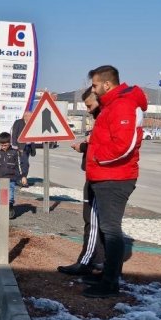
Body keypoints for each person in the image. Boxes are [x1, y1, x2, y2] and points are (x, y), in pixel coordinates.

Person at [83, 65, 147, 298]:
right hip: (106, 176)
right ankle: (106, 275)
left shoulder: (122, 105)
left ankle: (110, 283)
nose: (94, 89)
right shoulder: (112, 104)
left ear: (107, 84)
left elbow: (125, 145)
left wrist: (98, 157)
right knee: (106, 228)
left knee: (111, 230)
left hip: (115, 177)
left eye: (95, 85)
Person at [58, 86, 104, 277]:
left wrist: (84, 146)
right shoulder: (103, 119)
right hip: (96, 174)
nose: (87, 110)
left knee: (93, 222)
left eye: (89, 105)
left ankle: (87, 262)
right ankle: (100, 262)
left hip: (100, 178)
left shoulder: (105, 118)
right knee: (96, 222)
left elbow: (101, 146)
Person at [0, 131, 21, 219]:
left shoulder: (14, 152)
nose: (3, 147)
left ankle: (10, 208)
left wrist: (20, 177)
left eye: (5, 145)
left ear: (10, 143)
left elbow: (18, 165)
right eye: (1, 145)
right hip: (0, 178)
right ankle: (2, 212)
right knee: (1, 196)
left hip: (11, 178)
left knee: (10, 196)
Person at [10, 111, 35, 187]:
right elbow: (14, 134)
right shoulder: (18, 122)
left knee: (24, 163)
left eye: (31, 116)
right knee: (24, 164)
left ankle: (21, 179)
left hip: (28, 147)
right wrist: (15, 146)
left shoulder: (32, 124)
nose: (30, 118)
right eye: (29, 116)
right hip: (20, 147)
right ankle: (21, 179)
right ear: (25, 116)